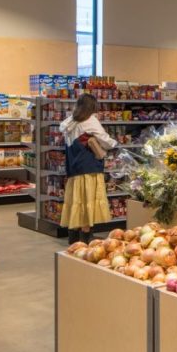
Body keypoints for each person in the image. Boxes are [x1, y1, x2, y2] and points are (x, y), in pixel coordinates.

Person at [59, 94, 118, 244]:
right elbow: (105, 140)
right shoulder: (90, 120)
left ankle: (73, 238)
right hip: (89, 167)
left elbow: (62, 129)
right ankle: (86, 237)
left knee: (76, 202)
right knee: (88, 202)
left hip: (73, 167)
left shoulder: (70, 121)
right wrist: (114, 143)